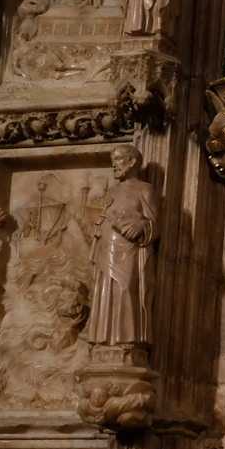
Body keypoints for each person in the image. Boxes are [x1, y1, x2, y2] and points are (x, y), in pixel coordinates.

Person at [87, 145, 160, 347]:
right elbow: (106, 214)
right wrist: (99, 224)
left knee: (127, 286)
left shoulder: (145, 189)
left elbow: (155, 225)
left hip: (129, 248)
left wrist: (142, 225)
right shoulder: (111, 190)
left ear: (132, 161)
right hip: (107, 245)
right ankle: (103, 340)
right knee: (105, 289)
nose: (114, 164)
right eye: (113, 160)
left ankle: (128, 339)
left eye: (118, 159)